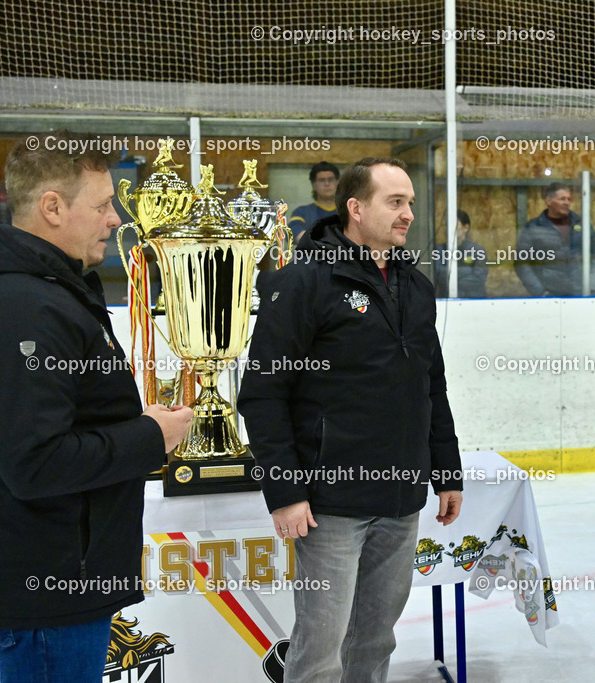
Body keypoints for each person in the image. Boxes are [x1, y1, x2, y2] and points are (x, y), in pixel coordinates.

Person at [237, 157, 464, 682]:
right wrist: (285, 490)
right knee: (321, 648)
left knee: (376, 639)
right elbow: (264, 394)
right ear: (356, 208)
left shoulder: (416, 287)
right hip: (330, 504)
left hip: (401, 498)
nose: (408, 214)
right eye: (395, 202)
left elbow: (430, 385)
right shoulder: (302, 283)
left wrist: (446, 470)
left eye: (410, 203)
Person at [0, 132, 193, 681]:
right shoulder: (28, 305)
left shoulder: (52, 291)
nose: (114, 219)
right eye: (103, 204)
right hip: (49, 591)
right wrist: (149, 437)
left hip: (63, 577)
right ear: (52, 207)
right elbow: (34, 462)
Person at [515, 181, 595, 296]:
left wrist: (591, 286)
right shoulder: (533, 228)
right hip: (549, 296)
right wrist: (540, 292)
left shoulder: (582, 225)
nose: (567, 203)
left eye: (569, 199)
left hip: (580, 294)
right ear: (548, 201)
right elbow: (522, 263)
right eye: (562, 199)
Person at [434, 209, 488, 298]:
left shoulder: (478, 251)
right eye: (447, 224)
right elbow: (438, 274)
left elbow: (478, 280)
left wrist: (452, 277)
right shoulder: (439, 250)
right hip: (446, 300)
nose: (449, 228)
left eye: (454, 224)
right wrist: (468, 271)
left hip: (474, 300)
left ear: (465, 228)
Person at [289, 161, 339, 243]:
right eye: (322, 180)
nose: (327, 184)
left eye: (330, 179)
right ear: (314, 185)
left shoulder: (349, 212)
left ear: (337, 182)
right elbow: (294, 233)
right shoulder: (301, 212)